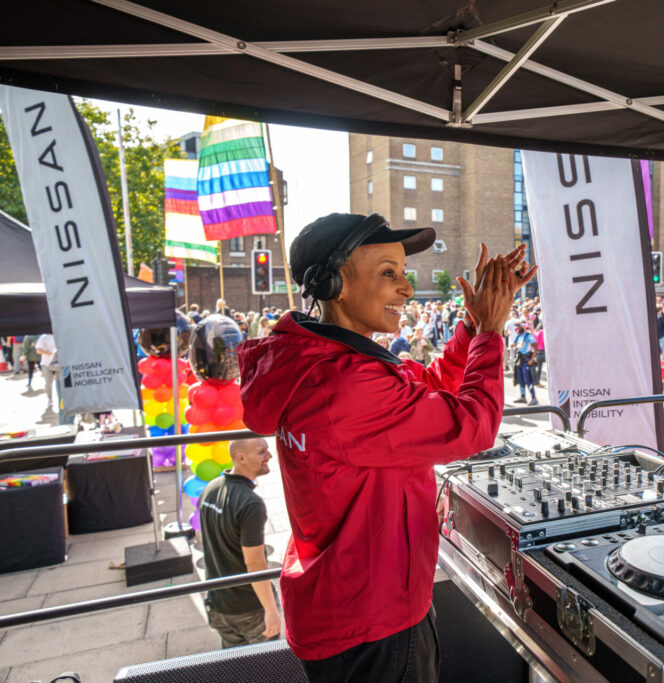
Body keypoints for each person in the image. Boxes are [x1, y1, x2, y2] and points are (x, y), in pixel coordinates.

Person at [237, 212, 535, 681]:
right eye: (388, 273)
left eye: (403, 273)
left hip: (349, 607)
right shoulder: (344, 383)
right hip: (372, 620)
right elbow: (472, 424)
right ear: (334, 282)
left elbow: (428, 389)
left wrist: (473, 325)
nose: (407, 289)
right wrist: (492, 333)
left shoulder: (324, 363)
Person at [199, 438, 281, 648]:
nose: (269, 456)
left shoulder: (211, 489)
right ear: (241, 458)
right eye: (262, 452)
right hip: (248, 610)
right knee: (266, 669)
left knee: (235, 668)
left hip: (218, 604)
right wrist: (271, 611)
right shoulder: (250, 503)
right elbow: (254, 563)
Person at [512, 322, 539, 405]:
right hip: (519, 359)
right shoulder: (519, 336)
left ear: (523, 327)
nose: (517, 328)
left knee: (527, 379)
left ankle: (534, 398)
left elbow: (535, 348)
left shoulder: (529, 336)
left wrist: (531, 360)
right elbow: (515, 345)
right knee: (520, 378)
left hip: (526, 360)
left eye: (518, 326)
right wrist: (513, 345)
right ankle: (523, 397)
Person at [35, 334, 58, 409]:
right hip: (46, 364)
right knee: (48, 383)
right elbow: (38, 350)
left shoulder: (60, 334)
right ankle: (50, 398)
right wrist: (51, 353)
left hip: (58, 364)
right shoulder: (44, 337)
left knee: (60, 383)